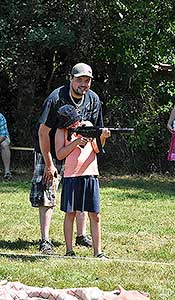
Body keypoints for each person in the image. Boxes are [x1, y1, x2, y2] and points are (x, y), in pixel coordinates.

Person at [30, 63, 104, 255]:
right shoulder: (56, 99)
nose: (83, 84)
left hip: (78, 152)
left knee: (79, 192)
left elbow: (97, 131)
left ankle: (81, 235)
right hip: (50, 149)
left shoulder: (93, 100)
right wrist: (49, 163)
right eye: (79, 80)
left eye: (87, 81)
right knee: (47, 192)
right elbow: (43, 132)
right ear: (70, 79)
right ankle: (45, 240)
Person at [55, 104, 111, 258]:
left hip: (90, 174)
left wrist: (102, 137)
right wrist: (76, 142)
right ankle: (69, 251)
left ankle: (98, 252)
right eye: (70, 123)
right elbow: (59, 155)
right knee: (70, 214)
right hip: (71, 176)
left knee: (95, 214)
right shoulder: (61, 132)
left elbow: (97, 149)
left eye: (75, 121)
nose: (75, 125)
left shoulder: (88, 126)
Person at [0, 113, 12, 180]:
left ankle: (7, 172)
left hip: (1, 138)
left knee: (4, 144)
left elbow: (3, 135)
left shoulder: (0, 117)